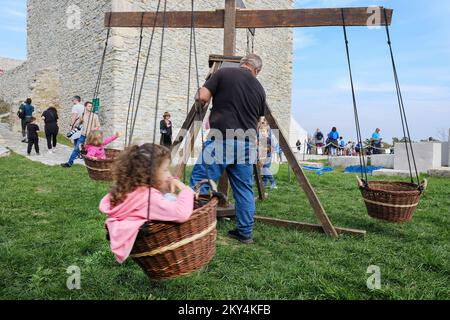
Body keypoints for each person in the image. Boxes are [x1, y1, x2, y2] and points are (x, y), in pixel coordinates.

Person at [190, 53, 267, 244]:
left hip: (222, 138)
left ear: (243, 64)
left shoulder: (224, 73)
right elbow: (258, 122)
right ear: (256, 70)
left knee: (202, 182)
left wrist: (199, 97)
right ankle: (245, 233)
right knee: (244, 190)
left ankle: (195, 229)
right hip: (247, 143)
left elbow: (202, 97)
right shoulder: (260, 89)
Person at [99, 143, 195, 263]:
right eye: (165, 170)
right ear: (150, 173)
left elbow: (160, 193)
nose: (169, 175)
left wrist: (170, 182)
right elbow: (181, 213)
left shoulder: (133, 189)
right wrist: (186, 190)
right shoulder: (149, 198)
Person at [61, 101, 100, 168]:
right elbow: (79, 125)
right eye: (89, 106)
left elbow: (98, 126)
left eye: (91, 106)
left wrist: (91, 130)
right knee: (76, 148)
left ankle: (95, 165)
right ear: (85, 107)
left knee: (92, 151)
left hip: (91, 137)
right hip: (82, 135)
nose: (91, 107)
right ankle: (69, 163)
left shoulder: (95, 116)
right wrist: (72, 132)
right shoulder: (82, 115)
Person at [258, 117, 277, 189]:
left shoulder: (268, 139)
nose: (262, 133)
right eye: (261, 131)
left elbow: (272, 147)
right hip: (262, 156)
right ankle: (264, 183)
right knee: (263, 170)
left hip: (267, 156)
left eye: (264, 131)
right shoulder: (261, 138)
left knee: (266, 169)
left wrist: (266, 149)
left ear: (267, 132)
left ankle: (273, 182)